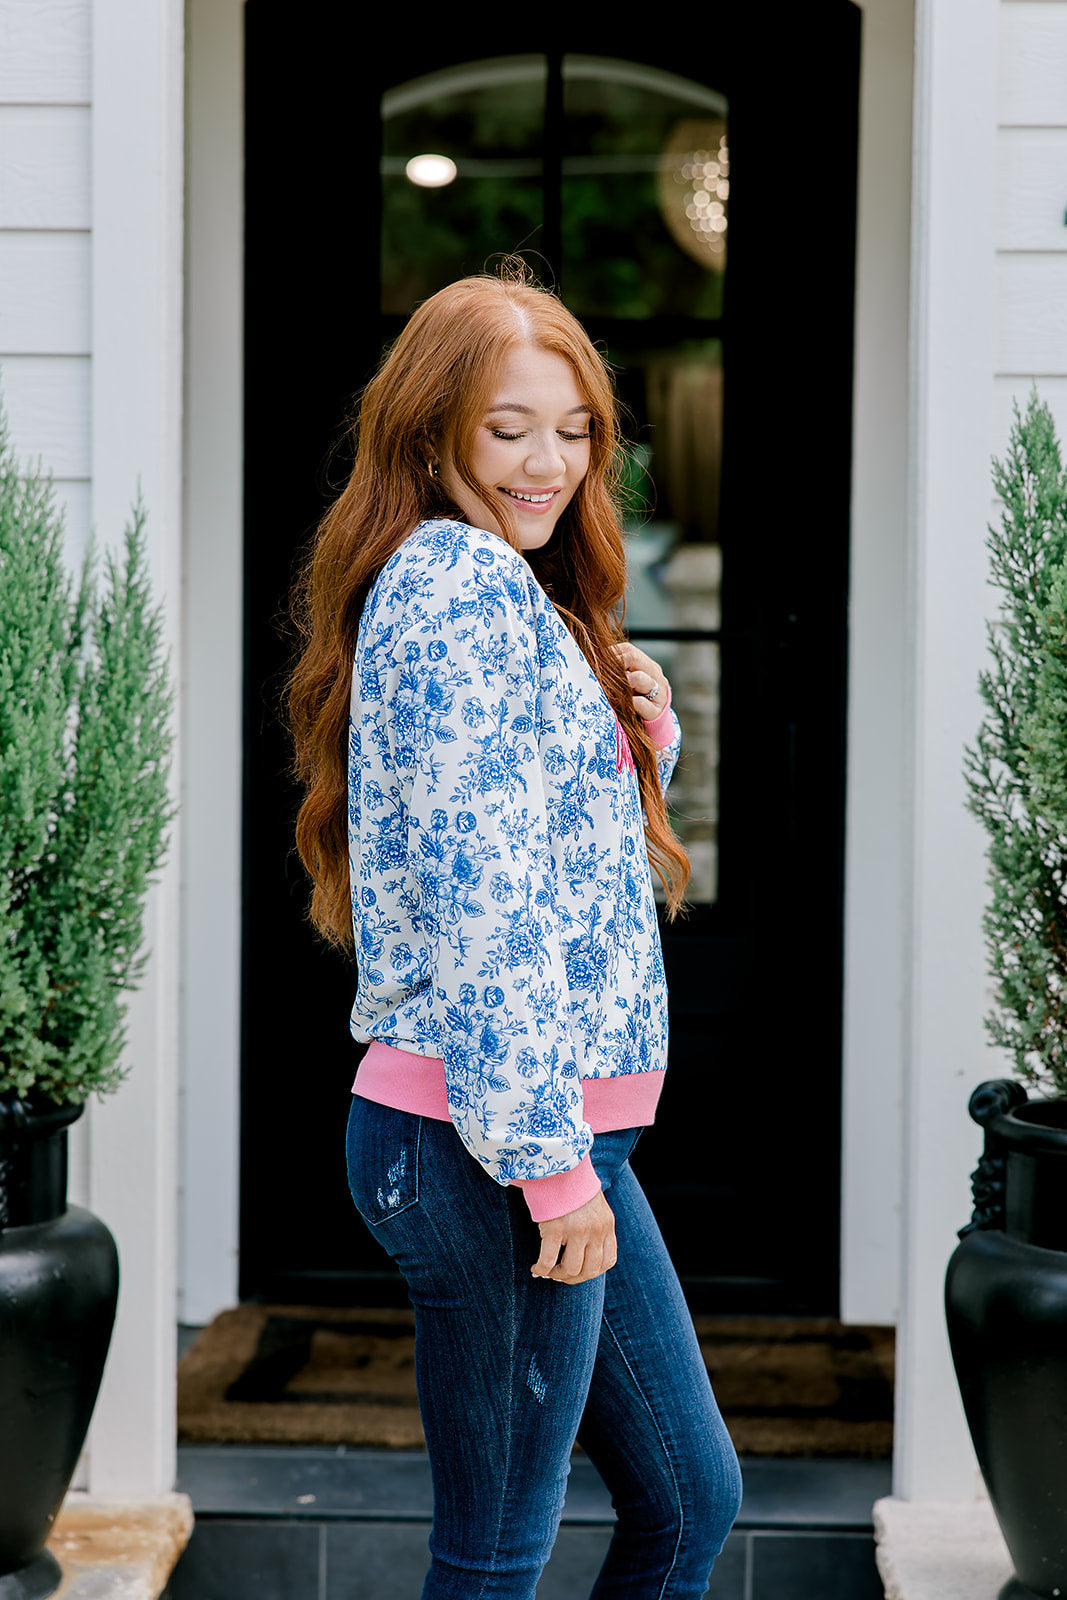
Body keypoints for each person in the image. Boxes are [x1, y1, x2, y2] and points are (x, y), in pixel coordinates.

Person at [288, 269, 742, 1600]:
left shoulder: (498, 590)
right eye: (508, 430)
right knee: (495, 1558)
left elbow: (536, 846)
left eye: (575, 430)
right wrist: (551, 1172)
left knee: (689, 1500)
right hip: (490, 1143)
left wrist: (638, 741)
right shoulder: (461, 588)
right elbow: (490, 910)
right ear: (430, 433)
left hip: (537, 1129)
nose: (548, 463)